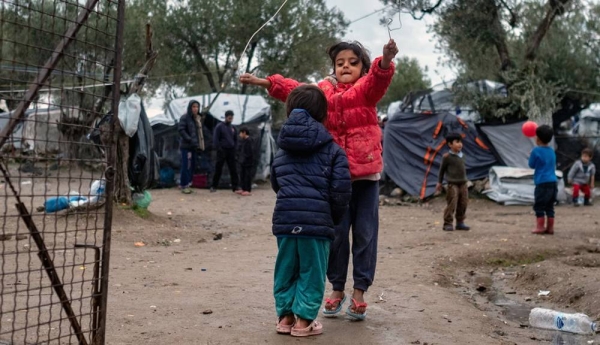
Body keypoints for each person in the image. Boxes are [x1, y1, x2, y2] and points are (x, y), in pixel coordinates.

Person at [240, 39, 398, 320]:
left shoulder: (366, 90)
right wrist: (263, 82)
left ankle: (359, 291)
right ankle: (337, 289)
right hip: (333, 176)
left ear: (362, 66)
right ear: (333, 68)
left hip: (366, 176)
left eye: (352, 62)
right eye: (340, 63)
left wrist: (385, 60)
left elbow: (379, 79)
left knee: (365, 234)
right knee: (335, 235)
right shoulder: (322, 92)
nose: (346, 66)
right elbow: (295, 90)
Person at [270, 85, 351, 337]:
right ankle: (304, 321)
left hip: (285, 221)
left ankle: (285, 317)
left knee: (286, 268)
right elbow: (341, 192)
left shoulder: (282, 149)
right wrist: (332, 219)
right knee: (312, 271)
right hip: (316, 224)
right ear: (322, 114)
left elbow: (276, 182)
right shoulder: (333, 150)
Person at [436, 133, 471, 231]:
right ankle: (447, 223)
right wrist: (439, 182)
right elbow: (441, 170)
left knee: (463, 203)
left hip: (463, 183)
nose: (460, 144)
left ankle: (460, 222)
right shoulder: (447, 157)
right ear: (450, 144)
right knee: (452, 202)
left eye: (460, 142)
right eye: (457, 142)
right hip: (452, 184)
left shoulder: (462, 156)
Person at [528, 125, 557, 235]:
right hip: (553, 182)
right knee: (550, 206)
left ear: (538, 139)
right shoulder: (551, 151)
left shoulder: (536, 151)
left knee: (539, 206)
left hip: (542, 183)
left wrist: (531, 155)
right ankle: (550, 228)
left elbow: (531, 165)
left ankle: (540, 227)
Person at [177, 100, 204, 194]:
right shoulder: (185, 117)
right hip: (186, 146)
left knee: (191, 166)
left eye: (197, 107)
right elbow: (181, 129)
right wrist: (189, 139)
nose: (195, 109)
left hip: (193, 147)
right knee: (186, 166)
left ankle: (187, 183)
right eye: (193, 107)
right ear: (190, 107)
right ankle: (184, 185)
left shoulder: (197, 119)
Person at [211, 110, 240, 193]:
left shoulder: (233, 128)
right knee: (218, 169)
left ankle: (235, 187)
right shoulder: (219, 126)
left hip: (231, 151)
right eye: (229, 116)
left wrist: (235, 148)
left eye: (231, 116)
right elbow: (216, 139)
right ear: (226, 117)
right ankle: (214, 186)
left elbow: (236, 140)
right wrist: (219, 148)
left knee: (233, 169)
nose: (230, 118)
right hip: (222, 150)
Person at [238, 127, 254, 196]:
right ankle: (243, 188)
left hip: (248, 162)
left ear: (244, 132)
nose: (240, 135)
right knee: (242, 175)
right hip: (243, 161)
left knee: (247, 175)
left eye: (240, 133)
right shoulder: (244, 140)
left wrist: (245, 158)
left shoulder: (249, 141)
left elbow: (249, 152)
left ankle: (248, 189)